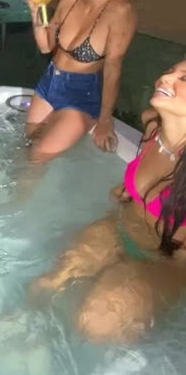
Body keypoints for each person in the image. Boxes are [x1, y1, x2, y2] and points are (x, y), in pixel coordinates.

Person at [34, 60, 186, 343]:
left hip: (165, 263)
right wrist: (130, 188)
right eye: (169, 71)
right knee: (49, 282)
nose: (166, 78)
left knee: (96, 320)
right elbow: (145, 175)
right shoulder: (153, 127)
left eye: (183, 78)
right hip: (119, 227)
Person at [25, 0, 144, 159]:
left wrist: (105, 120)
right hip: (48, 82)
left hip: (81, 95)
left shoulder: (120, 13)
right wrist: (36, 12)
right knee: (28, 143)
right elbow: (46, 46)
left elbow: (112, 70)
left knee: (37, 155)